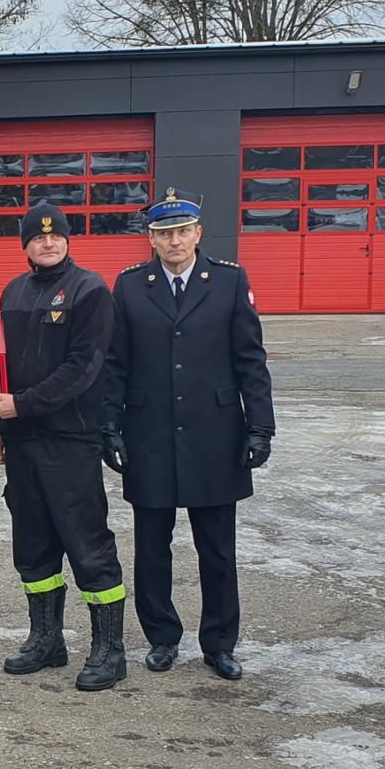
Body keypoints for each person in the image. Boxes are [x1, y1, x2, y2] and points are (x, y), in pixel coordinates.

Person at [100, 187, 274, 682]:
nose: (173, 241)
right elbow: (115, 363)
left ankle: (219, 643)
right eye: (163, 233)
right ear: (150, 239)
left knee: (217, 550)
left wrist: (260, 427)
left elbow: (250, 360)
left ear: (198, 233)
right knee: (152, 548)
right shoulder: (130, 286)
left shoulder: (229, 282)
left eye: (181, 231)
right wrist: (109, 426)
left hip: (215, 436)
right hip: (149, 433)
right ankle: (162, 636)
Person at [0, 202, 127, 691]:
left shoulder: (89, 290)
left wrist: (21, 405)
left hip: (70, 441)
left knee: (87, 545)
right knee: (33, 546)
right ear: (24, 244)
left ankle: (110, 650)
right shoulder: (13, 291)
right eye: (38, 237)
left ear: (67, 240)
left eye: (56, 236)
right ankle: (46, 640)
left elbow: (84, 367)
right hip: (21, 442)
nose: (48, 243)